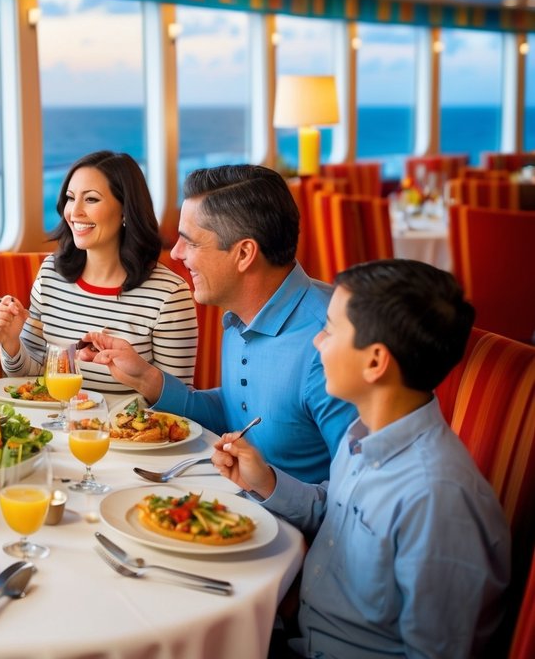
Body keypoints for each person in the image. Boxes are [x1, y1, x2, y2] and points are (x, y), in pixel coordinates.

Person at [212, 260, 509, 658]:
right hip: (298, 632)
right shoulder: (365, 431)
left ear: (375, 362)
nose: (317, 341)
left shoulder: (436, 498)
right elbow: (337, 515)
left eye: (330, 330)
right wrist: (264, 480)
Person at [82, 164, 355, 483]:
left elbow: (352, 499)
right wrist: (148, 379)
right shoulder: (238, 315)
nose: (176, 254)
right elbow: (234, 410)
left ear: (244, 254)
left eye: (191, 242)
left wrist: (270, 489)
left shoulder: (332, 343)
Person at [0, 150, 197, 387]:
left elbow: (180, 402)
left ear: (125, 210)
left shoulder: (170, 294)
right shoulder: (50, 275)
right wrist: (11, 343)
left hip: (126, 424)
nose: (74, 212)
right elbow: (31, 379)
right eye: (70, 197)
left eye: (91, 199)